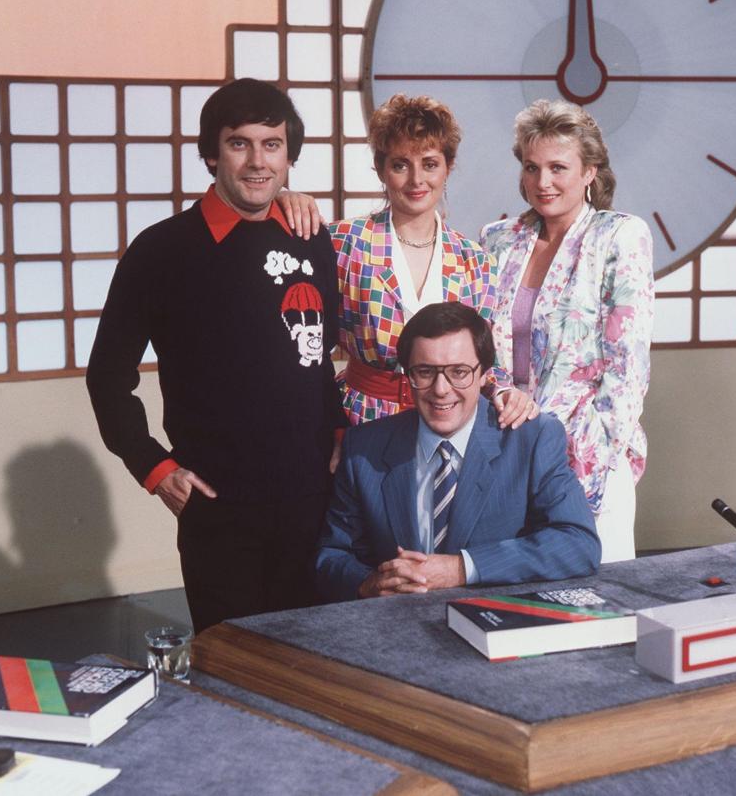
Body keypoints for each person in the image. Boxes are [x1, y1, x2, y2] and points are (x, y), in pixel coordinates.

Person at [86, 78, 347, 633]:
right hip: (219, 506)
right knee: (233, 671)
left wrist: (341, 432)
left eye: (272, 144)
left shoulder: (310, 237)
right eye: (239, 143)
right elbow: (108, 375)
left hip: (314, 501)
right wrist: (154, 468)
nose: (258, 162)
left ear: (289, 155)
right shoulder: (162, 250)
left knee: (320, 668)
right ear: (210, 153)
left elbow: (318, 358)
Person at [314, 302, 600, 602]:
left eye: (459, 372)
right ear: (408, 375)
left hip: (495, 628)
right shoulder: (364, 449)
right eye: (424, 372)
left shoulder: (531, 439)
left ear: (483, 374)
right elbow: (331, 557)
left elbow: (578, 544)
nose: (441, 388)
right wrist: (368, 583)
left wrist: (462, 569)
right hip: (395, 631)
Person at [280, 93, 533, 430]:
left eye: (429, 164)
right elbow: (306, 350)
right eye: (401, 164)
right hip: (362, 420)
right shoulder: (344, 243)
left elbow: (486, 361)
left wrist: (504, 390)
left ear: (448, 167)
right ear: (381, 169)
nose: (416, 180)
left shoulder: (476, 260)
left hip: (451, 421)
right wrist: (281, 197)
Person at [480, 99, 654, 563]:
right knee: (514, 596)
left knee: (598, 598)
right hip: (502, 443)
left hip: (586, 445)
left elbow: (628, 364)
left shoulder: (620, 235)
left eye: (559, 167)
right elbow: (478, 346)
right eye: (532, 167)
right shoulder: (497, 239)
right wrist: (500, 399)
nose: (543, 182)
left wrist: (596, 442)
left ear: (590, 171)